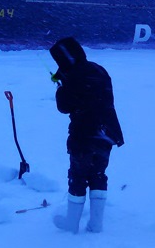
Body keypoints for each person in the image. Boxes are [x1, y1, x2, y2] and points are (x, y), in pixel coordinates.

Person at [49, 37, 124, 233]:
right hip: (106, 132)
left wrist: (60, 89)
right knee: (98, 174)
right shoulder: (99, 69)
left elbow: (64, 107)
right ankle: (96, 224)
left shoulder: (72, 76)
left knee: (78, 176)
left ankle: (71, 224)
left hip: (84, 134)